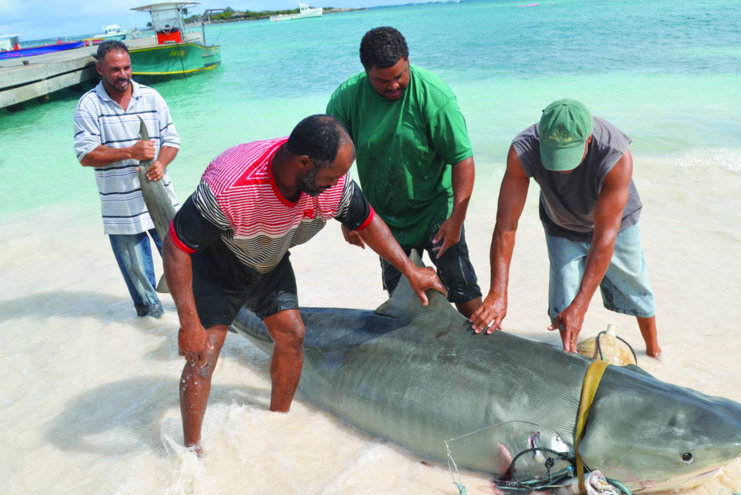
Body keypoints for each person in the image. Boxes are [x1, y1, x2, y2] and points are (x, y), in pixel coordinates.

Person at [163, 114, 446, 451]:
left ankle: (278, 421)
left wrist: (409, 270)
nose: (338, 184)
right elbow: (176, 245)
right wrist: (188, 323)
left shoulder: (331, 184)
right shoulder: (231, 187)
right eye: (331, 176)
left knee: (292, 333)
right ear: (304, 164)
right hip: (219, 261)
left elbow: (368, 221)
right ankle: (191, 451)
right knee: (204, 351)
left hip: (270, 257)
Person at [470, 99, 662, 359]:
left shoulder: (615, 153)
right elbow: (506, 225)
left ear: (589, 140)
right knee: (562, 304)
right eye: (554, 156)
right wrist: (497, 292)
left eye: (568, 156)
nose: (561, 167)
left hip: (615, 224)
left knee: (636, 288)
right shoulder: (523, 149)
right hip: (560, 223)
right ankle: (569, 358)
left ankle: (654, 353)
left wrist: (582, 306)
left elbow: (605, 236)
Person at [326, 26, 482, 318]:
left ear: (408, 61)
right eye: (382, 80)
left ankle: (489, 352)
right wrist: (347, 215)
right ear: (366, 72)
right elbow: (330, 162)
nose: (394, 85)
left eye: (400, 75)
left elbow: (462, 158)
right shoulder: (346, 100)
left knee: (462, 287)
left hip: (436, 208)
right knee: (403, 301)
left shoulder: (434, 95)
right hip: (384, 215)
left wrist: (456, 219)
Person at [74, 40, 180, 319]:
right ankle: (149, 332)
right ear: (99, 69)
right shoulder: (89, 105)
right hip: (121, 210)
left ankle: (207, 319)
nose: (123, 74)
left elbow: (172, 141)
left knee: (186, 265)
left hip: (161, 198)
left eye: (127, 67)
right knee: (143, 291)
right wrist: (129, 152)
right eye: (115, 69)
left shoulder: (152, 98)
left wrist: (161, 163)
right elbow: (85, 155)